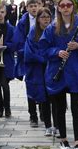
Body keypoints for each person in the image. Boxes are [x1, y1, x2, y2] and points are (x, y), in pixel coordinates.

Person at [39, 0, 78, 149]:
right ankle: (63, 139)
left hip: (76, 71)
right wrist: (56, 52)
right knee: (59, 108)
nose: (65, 8)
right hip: (57, 71)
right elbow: (43, 48)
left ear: (73, 7)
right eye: (62, 5)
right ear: (58, 8)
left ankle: (77, 142)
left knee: (76, 108)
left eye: (68, 5)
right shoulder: (52, 28)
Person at [24, 7, 56, 136]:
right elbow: (29, 53)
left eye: (48, 17)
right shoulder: (33, 32)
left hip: (52, 67)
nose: (46, 20)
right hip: (39, 69)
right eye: (43, 17)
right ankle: (48, 125)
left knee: (55, 98)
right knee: (45, 99)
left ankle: (58, 125)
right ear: (37, 19)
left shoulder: (54, 31)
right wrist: (44, 58)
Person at [14, 0, 41, 126]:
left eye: (35, 6)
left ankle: (44, 113)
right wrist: (26, 52)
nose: (34, 8)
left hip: (42, 58)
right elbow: (18, 41)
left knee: (43, 87)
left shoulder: (45, 18)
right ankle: (33, 116)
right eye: (31, 6)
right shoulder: (22, 22)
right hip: (29, 59)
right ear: (27, 8)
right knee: (30, 87)